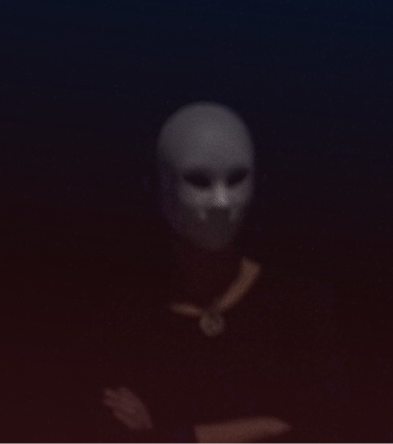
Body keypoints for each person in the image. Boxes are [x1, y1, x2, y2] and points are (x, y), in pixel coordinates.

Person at [98, 102, 344, 443]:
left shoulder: (299, 304)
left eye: (236, 179)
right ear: (159, 185)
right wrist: (263, 427)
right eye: (199, 180)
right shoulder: (125, 315)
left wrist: (168, 434)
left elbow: (323, 426)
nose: (221, 202)